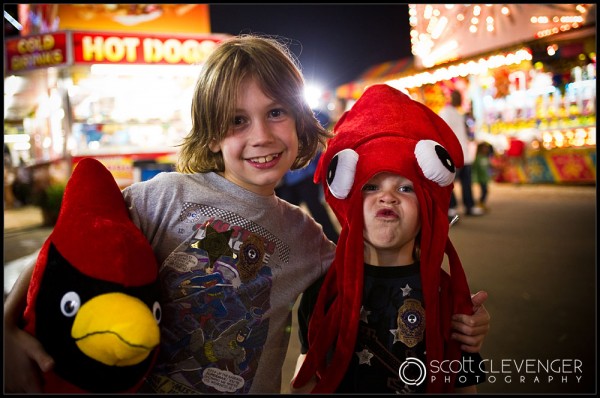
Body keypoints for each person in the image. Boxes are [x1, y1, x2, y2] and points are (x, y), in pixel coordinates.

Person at [4, 35, 490, 394]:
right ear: (212, 135)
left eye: (276, 112)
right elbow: (64, 256)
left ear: (300, 123)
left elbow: (380, 274)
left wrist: (458, 317)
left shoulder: (306, 238)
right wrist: (6, 329)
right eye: (237, 120)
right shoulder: (163, 198)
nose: (261, 135)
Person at [291, 84, 487, 393]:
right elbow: (306, 369)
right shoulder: (324, 291)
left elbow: (463, 386)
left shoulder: (446, 295)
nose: (388, 198)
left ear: (428, 207)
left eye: (405, 187)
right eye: (371, 186)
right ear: (347, 198)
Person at [276, 109, 340, 243]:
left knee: (316, 210)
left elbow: (322, 117)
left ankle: (334, 241)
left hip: (303, 174)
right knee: (289, 218)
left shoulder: (296, 112)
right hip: (285, 180)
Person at [439, 89, 483, 219]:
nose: (458, 99)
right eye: (456, 97)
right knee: (449, 183)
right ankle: (451, 208)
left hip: (465, 153)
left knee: (466, 182)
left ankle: (468, 205)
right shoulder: (446, 113)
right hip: (453, 154)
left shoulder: (459, 114)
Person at [472, 141, 494, 211]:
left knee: (485, 191)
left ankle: (481, 203)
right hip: (480, 178)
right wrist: (474, 178)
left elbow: (489, 167)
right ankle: (481, 202)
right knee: (484, 191)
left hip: (485, 178)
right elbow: (474, 169)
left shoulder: (486, 157)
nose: (486, 150)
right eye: (484, 148)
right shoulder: (478, 158)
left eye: (486, 148)